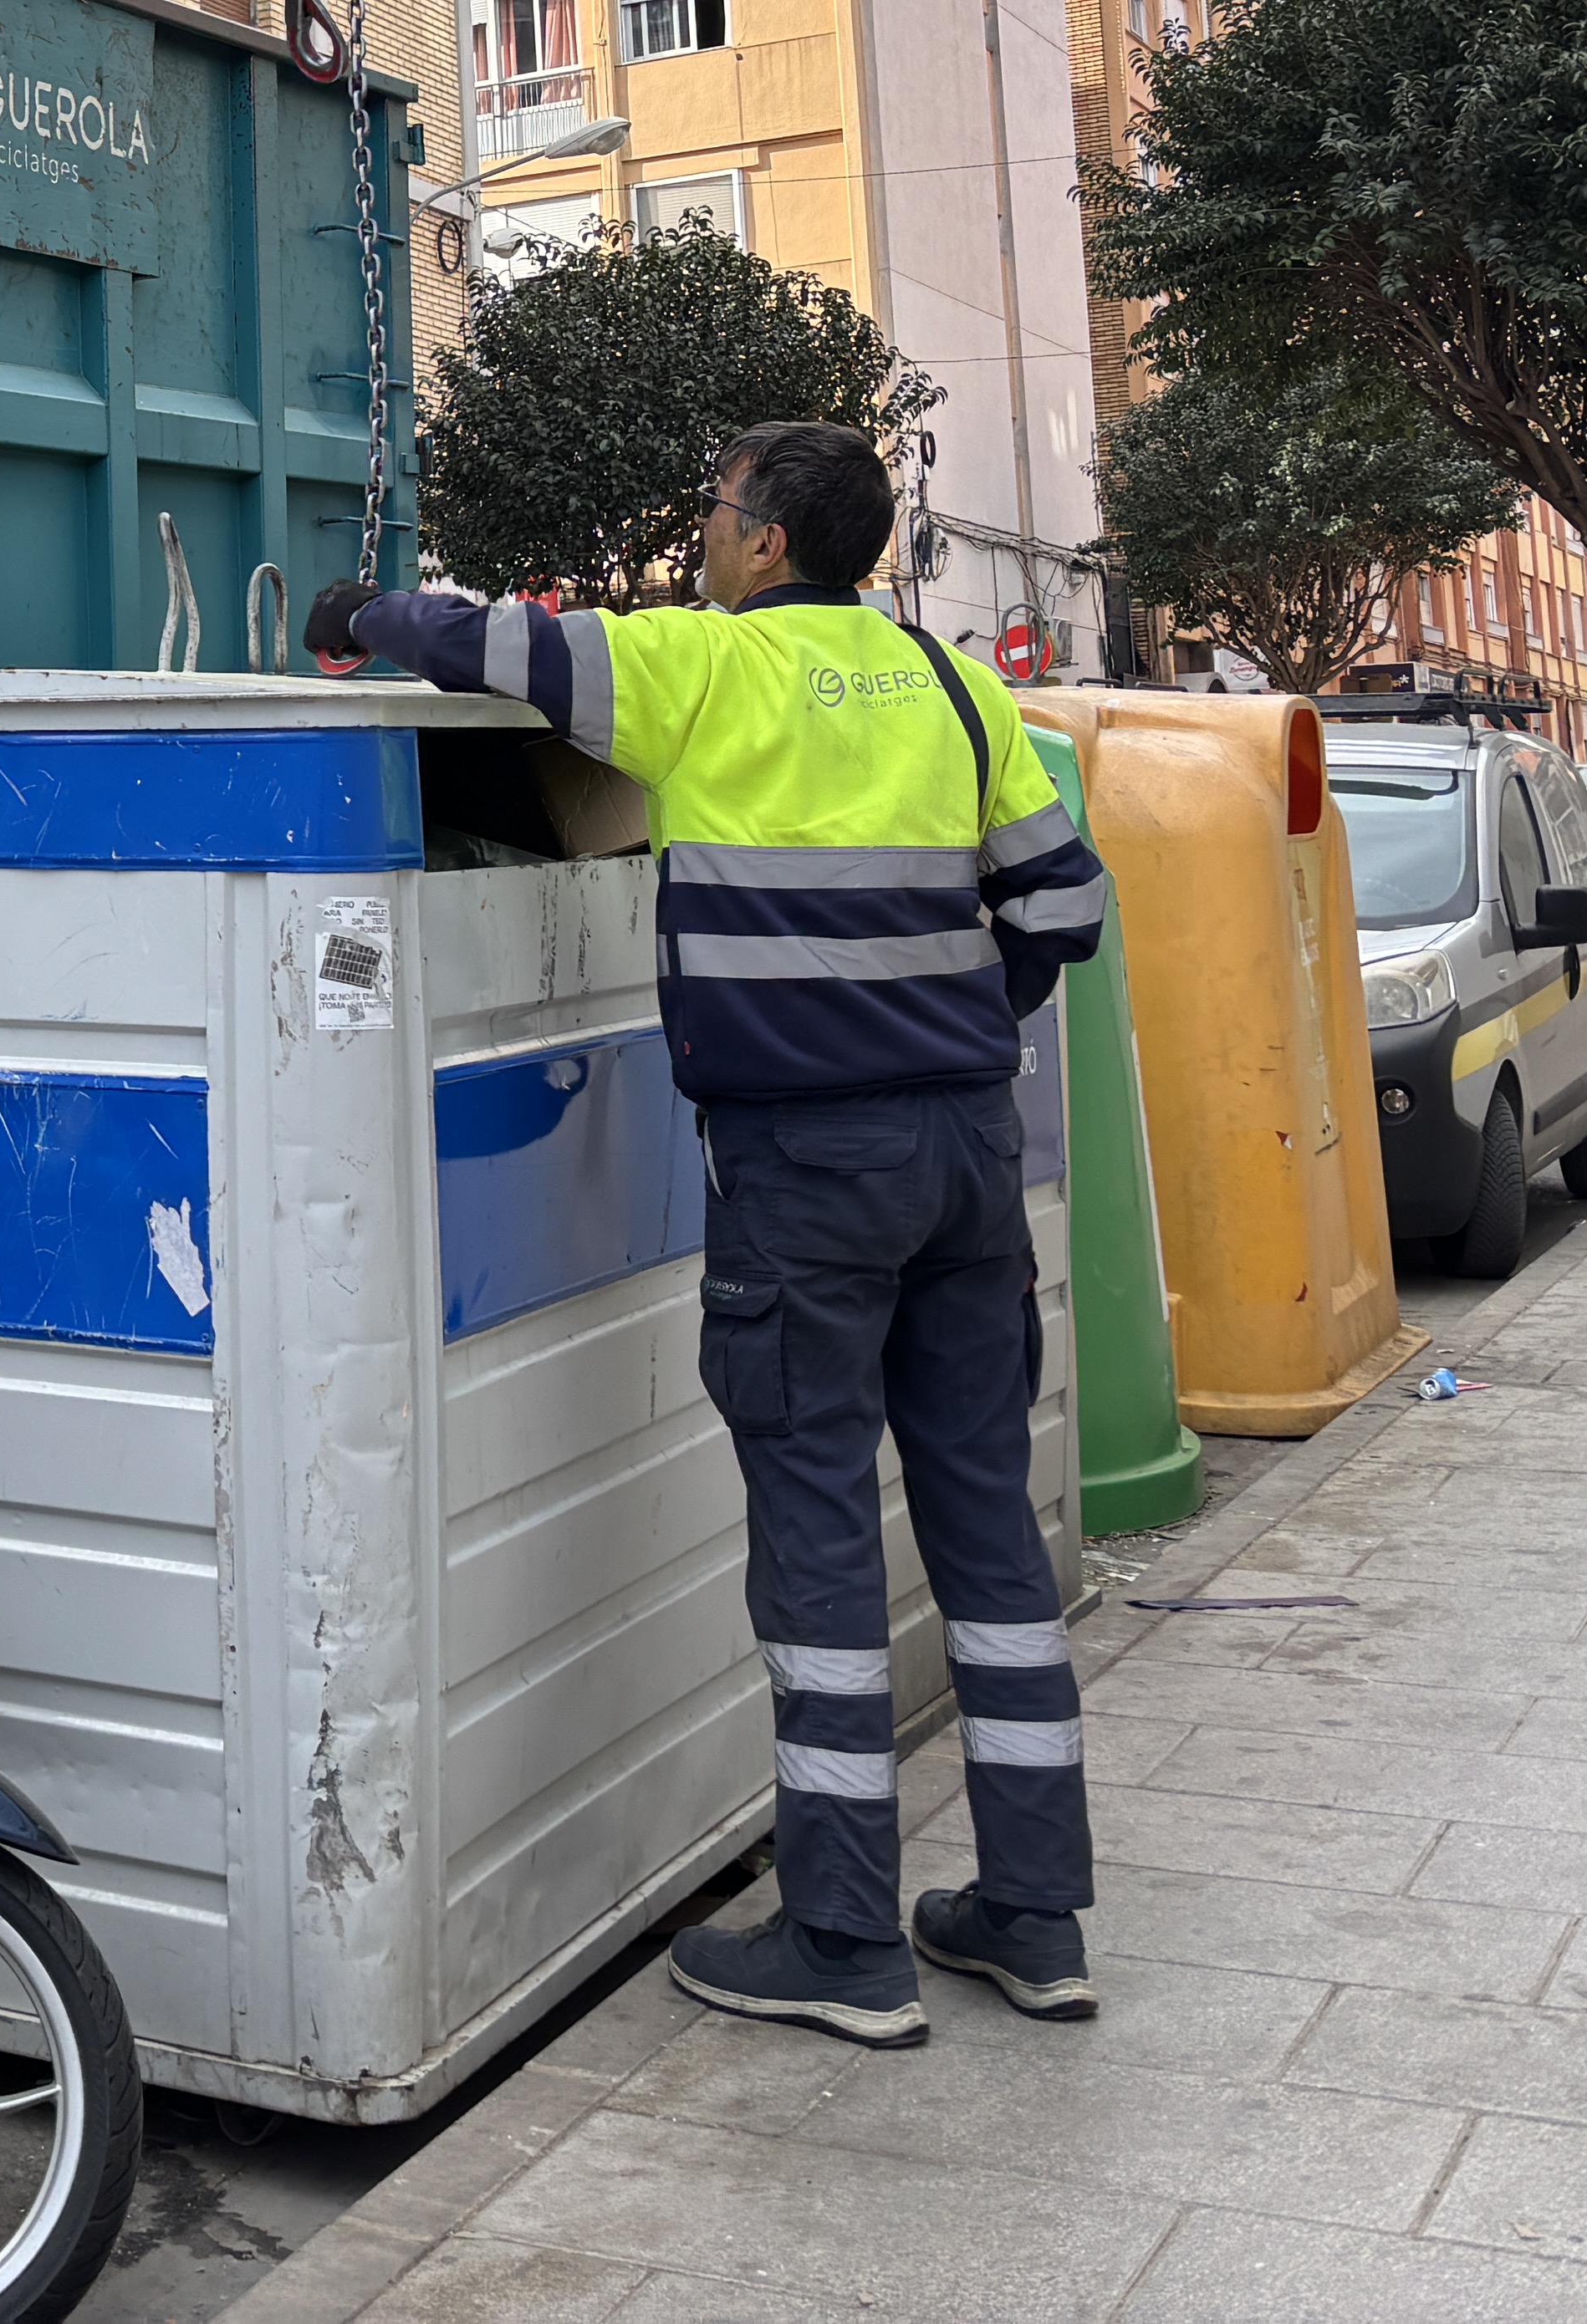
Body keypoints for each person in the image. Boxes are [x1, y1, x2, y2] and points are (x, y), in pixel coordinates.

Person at [307, 422, 1111, 2049]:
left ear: (760, 541)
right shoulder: (957, 692)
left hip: (808, 1168)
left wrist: (352, 615)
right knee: (987, 1535)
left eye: (709, 513)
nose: (699, 537)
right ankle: (1033, 1915)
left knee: (816, 1532)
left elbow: (498, 645)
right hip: (965, 1150)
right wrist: (944, 1025)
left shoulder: (696, 672)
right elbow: (1065, 907)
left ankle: (844, 1941)